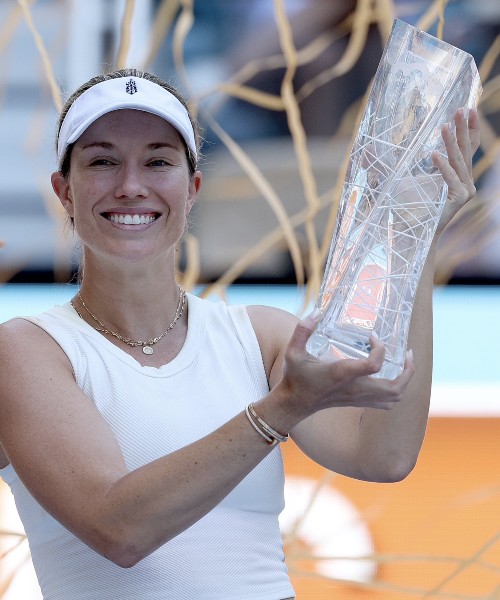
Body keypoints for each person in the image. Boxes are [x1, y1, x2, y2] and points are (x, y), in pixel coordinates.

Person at [0, 68, 479, 600]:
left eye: (158, 161)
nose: (131, 186)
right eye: (103, 161)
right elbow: (120, 529)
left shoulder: (260, 335)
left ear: (193, 187)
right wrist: (280, 409)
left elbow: (383, 457)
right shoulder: (25, 350)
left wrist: (416, 238)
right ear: (64, 191)